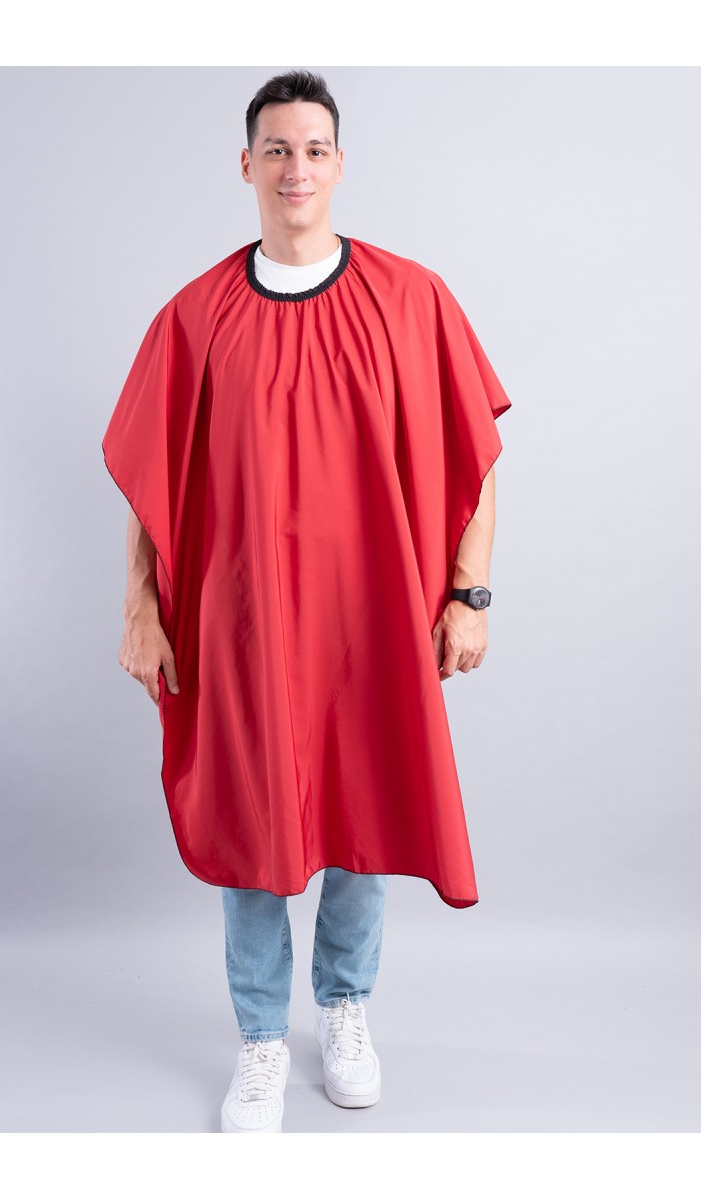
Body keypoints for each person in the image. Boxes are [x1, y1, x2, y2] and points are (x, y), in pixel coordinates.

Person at [102, 69, 512, 1134]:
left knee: (362, 808)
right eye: (277, 149)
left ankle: (343, 1008)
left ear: (340, 165)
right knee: (254, 816)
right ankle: (257, 1038)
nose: (296, 168)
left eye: (314, 149)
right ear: (246, 165)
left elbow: (473, 457)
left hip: (372, 616)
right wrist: (141, 607)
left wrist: (466, 595)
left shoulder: (409, 300)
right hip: (240, 621)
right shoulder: (195, 318)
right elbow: (152, 480)